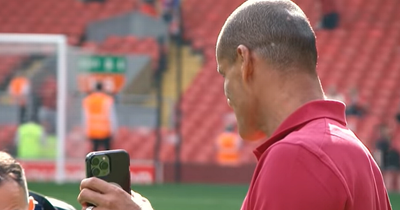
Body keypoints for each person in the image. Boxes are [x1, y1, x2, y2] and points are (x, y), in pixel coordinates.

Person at [78, 0, 392, 209]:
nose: (224, 91)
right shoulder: (358, 155)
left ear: (244, 62)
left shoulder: (298, 156)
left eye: (223, 73)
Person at [82, 82, 117, 151]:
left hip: (92, 131)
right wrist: (114, 130)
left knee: (94, 152)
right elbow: (112, 116)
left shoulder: (88, 100)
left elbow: (85, 117)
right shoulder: (107, 100)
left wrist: (85, 130)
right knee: (108, 153)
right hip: (105, 131)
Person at [374, 123, 400, 192]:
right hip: (387, 164)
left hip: (396, 162)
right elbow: (378, 154)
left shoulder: (394, 139)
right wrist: (379, 165)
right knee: (388, 180)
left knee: (398, 180)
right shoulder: (380, 142)